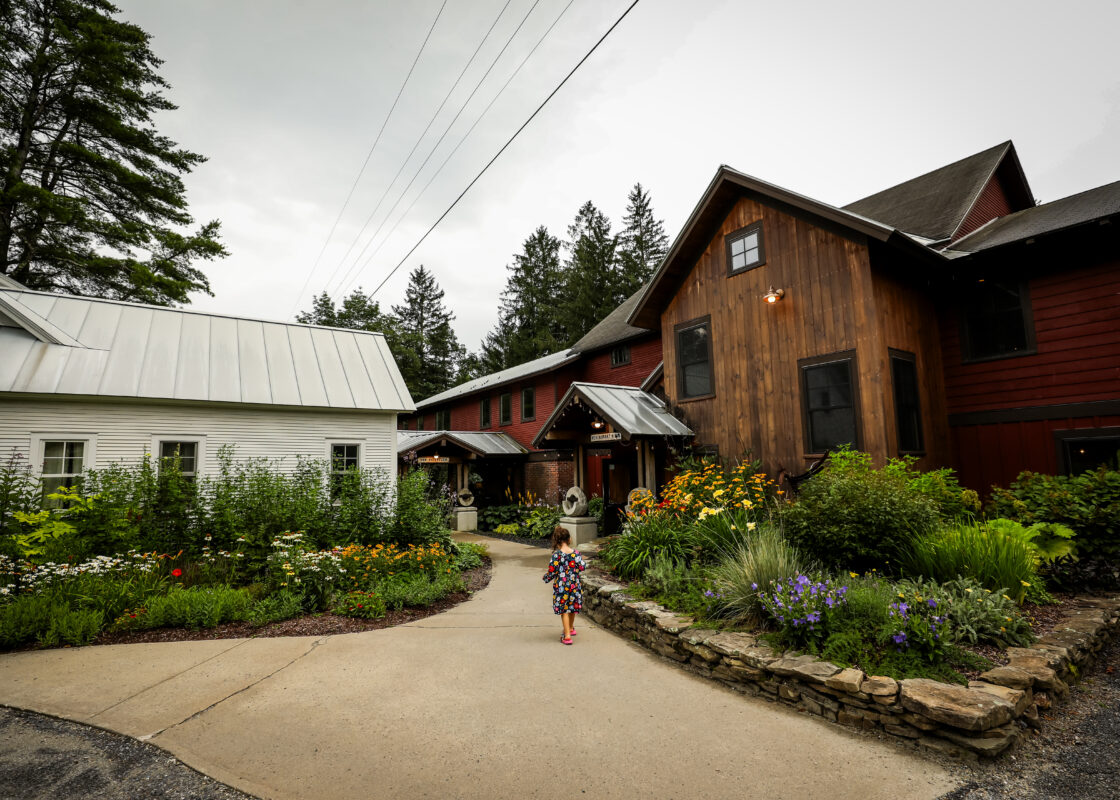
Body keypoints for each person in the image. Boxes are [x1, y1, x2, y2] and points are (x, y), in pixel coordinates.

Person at [541, 526, 585, 644]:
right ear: (569, 539)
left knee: (564, 610)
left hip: (561, 587)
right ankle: (570, 628)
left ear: (556, 541)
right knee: (572, 607)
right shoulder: (576, 553)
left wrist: (545, 578)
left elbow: (552, 571)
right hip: (574, 585)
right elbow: (582, 566)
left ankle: (567, 636)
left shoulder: (556, 555)